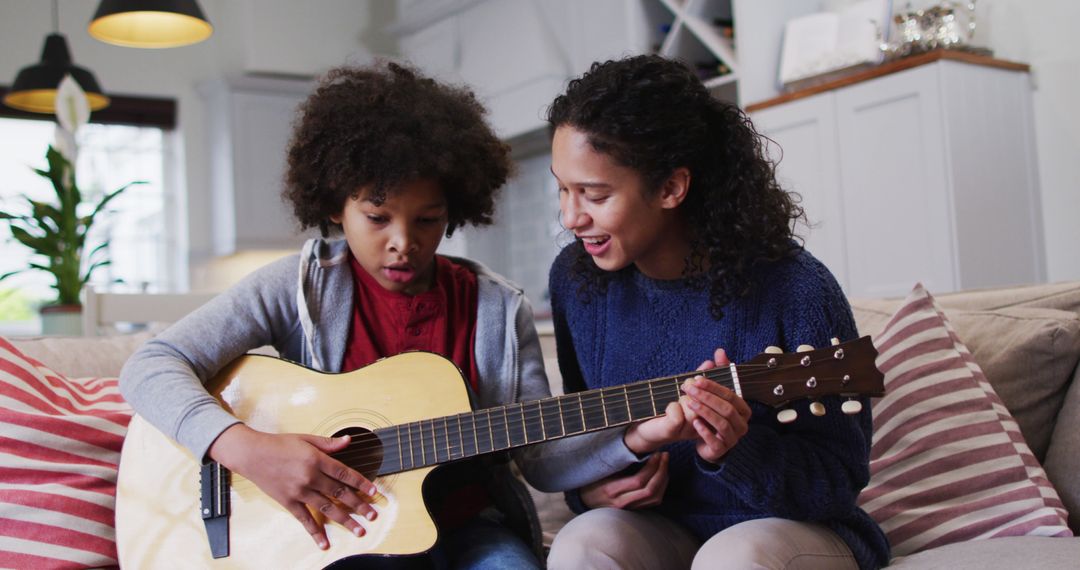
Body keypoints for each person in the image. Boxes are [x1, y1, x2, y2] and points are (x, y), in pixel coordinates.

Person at [118, 61, 615, 569]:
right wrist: (245, 449)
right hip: (344, 531)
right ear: (336, 204)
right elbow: (151, 364)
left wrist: (639, 436)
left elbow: (541, 456)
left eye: (428, 219)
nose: (404, 242)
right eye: (377, 218)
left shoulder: (496, 308)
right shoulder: (297, 288)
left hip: (470, 529)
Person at [542, 54, 891, 570]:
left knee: (734, 559)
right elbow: (585, 435)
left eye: (594, 194)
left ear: (670, 188)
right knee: (581, 543)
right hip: (664, 529)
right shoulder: (577, 282)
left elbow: (838, 482)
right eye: (563, 190)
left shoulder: (796, 289)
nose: (572, 217)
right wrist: (593, 493)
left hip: (789, 530)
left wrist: (738, 449)